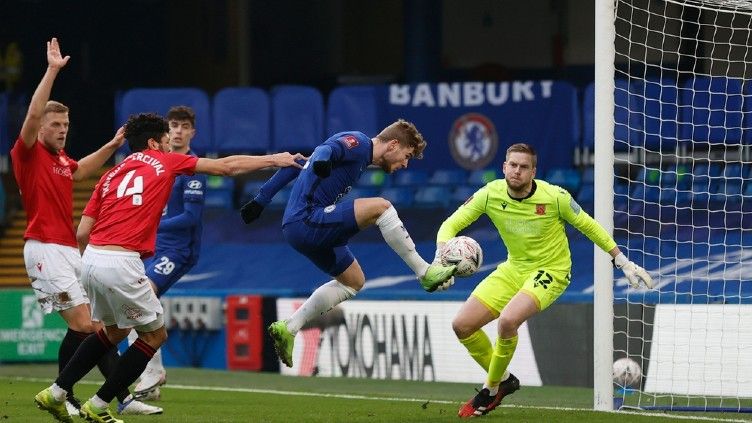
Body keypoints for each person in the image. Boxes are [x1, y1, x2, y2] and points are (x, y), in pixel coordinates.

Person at [33, 112, 305, 423]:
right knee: (154, 336)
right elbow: (226, 167)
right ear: (153, 143)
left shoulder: (110, 174)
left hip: (91, 258)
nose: (169, 144)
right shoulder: (167, 161)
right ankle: (98, 405)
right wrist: (276, 158)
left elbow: (82, 232)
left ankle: (56, 392)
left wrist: (95, 263)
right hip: (121, 262)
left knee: (113, 331)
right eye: (165, 140)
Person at [435, 143, 654, 418]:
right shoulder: (490, 194)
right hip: (513, 268)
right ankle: (504, 380)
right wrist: (440, 260)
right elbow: (450, 225)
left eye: (523, 167)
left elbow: (589, 225)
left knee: (507, 321)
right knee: (462, 325)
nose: (517, 171)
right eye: (512, 165)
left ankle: (490, 389)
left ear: (533, 172)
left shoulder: (554, 196)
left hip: (552, 270)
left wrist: (621, 261)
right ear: (504, 167)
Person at [11, 38, 160, 418]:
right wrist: (52, 71)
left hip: (69, 248)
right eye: (55, 124)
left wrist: (112, 145)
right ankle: (66, 395)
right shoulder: (27, 153)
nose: (62, 130)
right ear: (41, 127)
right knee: (83, 324)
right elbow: (31, 117)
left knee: (99, 327)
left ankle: (104, 396)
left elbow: (81, 171)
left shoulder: (61, 160)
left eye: (65, 124)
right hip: (43, 247)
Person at [239, 119, 457, 368]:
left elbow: (298, 163)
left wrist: (260, 200)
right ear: (393, 144)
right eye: (406, 156)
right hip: (307, 220)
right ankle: (424, 272)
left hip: (301, 229)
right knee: (382, 208)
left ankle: (289, 328)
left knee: (354, 281)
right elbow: (323, 152)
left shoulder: (359, 156)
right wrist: (321, 162)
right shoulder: (360, 143)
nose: (405, 164)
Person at [128, 105, 205, 401]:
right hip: (154, 247)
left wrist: (153, 224)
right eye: (174, 125)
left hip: (179, 250)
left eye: (185, 127)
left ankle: (151, 372)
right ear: (167, 129)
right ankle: (153, 376)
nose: (178, 131)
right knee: (132, 300)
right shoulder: (160, 163)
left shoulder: (193, 167)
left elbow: (191, 218)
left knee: (140, 294)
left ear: (192, 132)